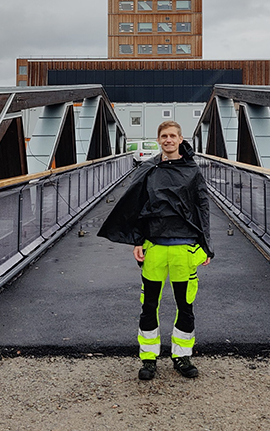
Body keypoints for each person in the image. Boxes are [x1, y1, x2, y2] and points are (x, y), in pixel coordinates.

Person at [98, 120, 213, 380]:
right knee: (149, 305)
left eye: (173, 135)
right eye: (164, 136)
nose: (169, 139)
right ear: (159, 139)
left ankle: (182, 356)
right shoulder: (149, 169)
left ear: (181, 139)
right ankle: (148, 359)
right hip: (155, 247)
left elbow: (202, 207)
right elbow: (137, 205)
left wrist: (206, 246)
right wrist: (137, 240)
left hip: (184, 248)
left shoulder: (192, 170)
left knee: (185, 306)